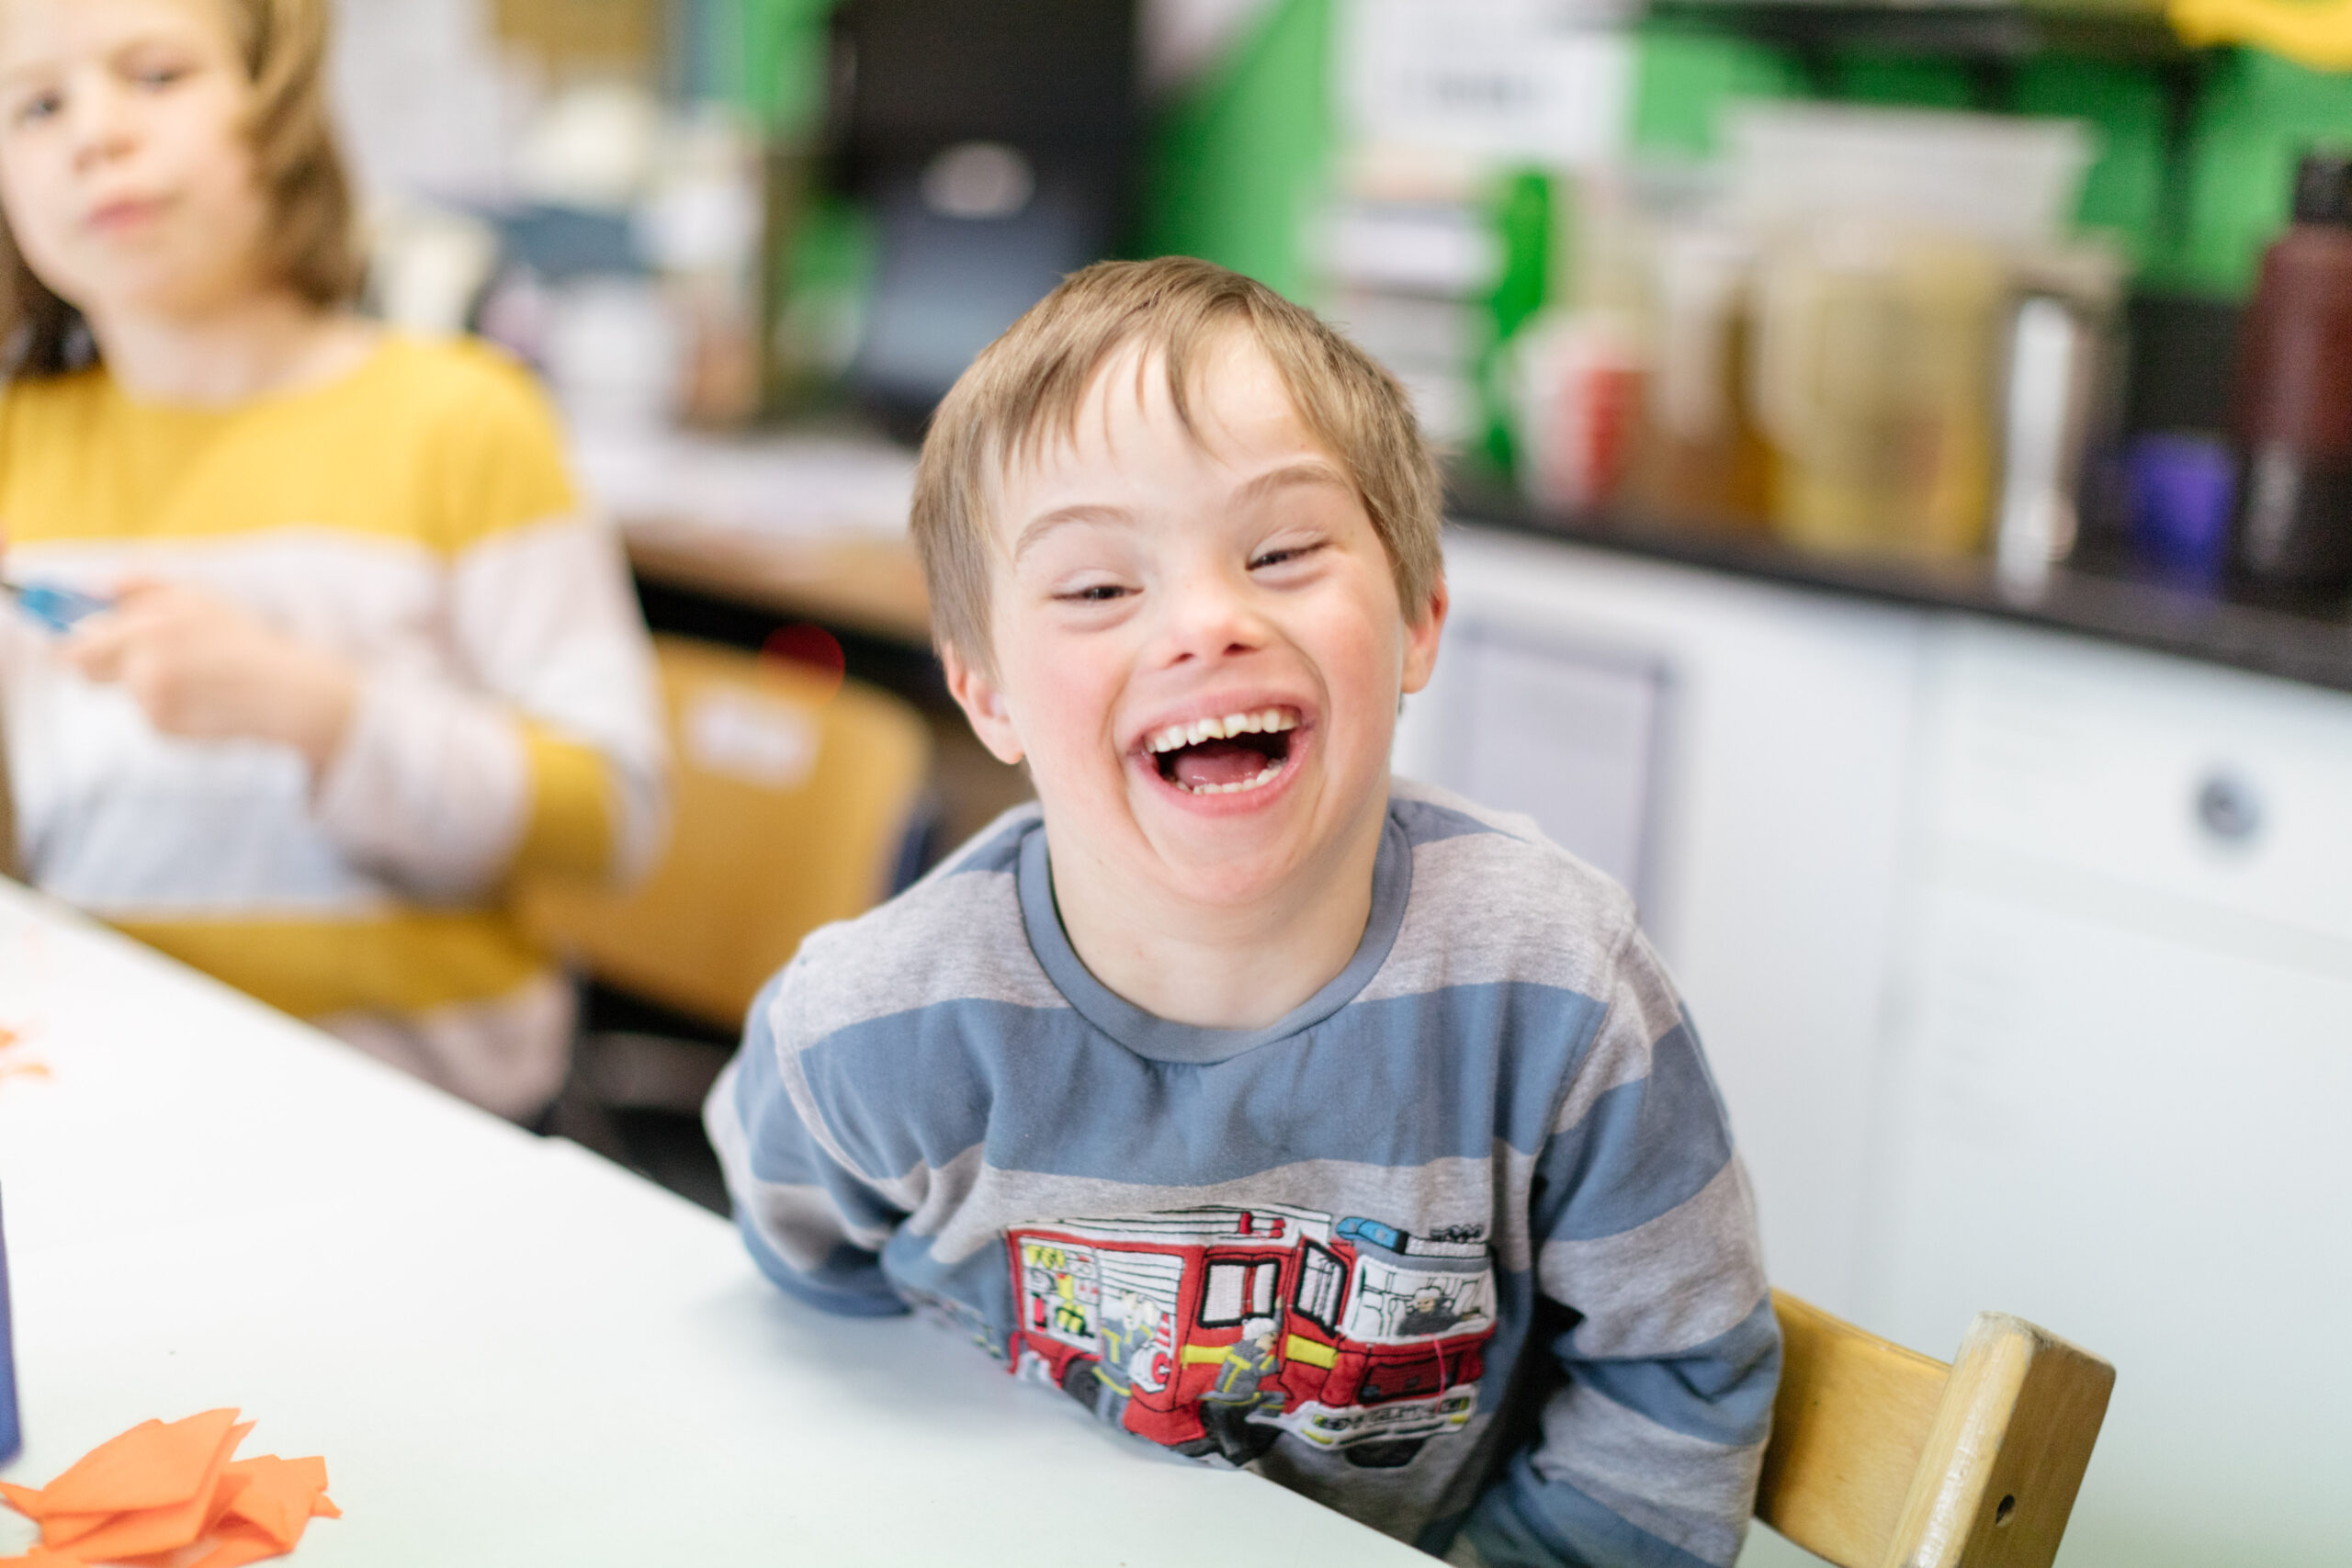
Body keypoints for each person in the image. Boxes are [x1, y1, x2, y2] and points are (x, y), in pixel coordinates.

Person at [706, 257, 1778, 1566]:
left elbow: (1679, 1378)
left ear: (1419, 619)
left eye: (1281, 552)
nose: (1210, 620)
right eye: (1099, 587)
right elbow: (810, 1280)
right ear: (986, 691)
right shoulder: (873, 1025)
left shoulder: (1559, 986)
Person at [0, 0, 664, 1119]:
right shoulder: (21, 443)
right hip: (107, 1093)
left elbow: (615, 813)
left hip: (424, 1112)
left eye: (156, 75)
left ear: (284, 112)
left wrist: (316, 710)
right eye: (37, 103)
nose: (94, 134)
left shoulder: (464, 417)